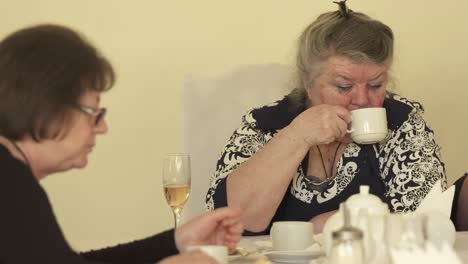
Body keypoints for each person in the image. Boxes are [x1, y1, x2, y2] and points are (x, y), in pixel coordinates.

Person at [0, 24, 243, 263]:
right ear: (48, 107)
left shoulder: (13, 176)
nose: (102, 128)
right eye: (94, 112)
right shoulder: (11, 184)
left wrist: (176, 242)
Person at [206, 1, 447, 235]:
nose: (362, 99)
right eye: (344, 87)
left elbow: (429, 220)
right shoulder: (265, 125)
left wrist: (333, 224)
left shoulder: (401, 123)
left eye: (375, 85)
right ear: (307, 83)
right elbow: (229, 222)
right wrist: (297, 136)